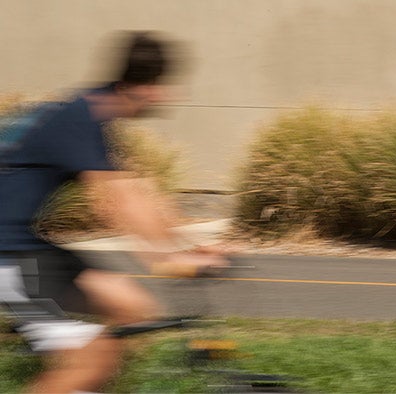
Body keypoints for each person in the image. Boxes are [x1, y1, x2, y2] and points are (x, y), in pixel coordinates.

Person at [0, 32, 228, 392]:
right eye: (164, 85)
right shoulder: (80, 120)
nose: (170, 95)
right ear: (143, 88)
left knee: (130, 305)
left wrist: (186, 247)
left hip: (20, 245)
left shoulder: (91, 111)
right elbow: (115, 201)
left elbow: (137, 190)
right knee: (92, 356)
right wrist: (167, 259)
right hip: (7, 255)